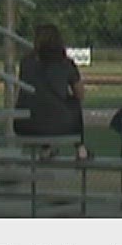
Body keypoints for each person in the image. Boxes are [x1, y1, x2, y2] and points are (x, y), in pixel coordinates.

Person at [14, 24, 89, 160]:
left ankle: (46, 149)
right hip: (58, 125)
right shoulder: (65, 63)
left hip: (24, 125)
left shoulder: (26, 62)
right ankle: (80, 148)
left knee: (40, 102)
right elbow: (80, 94)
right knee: (72, 102)